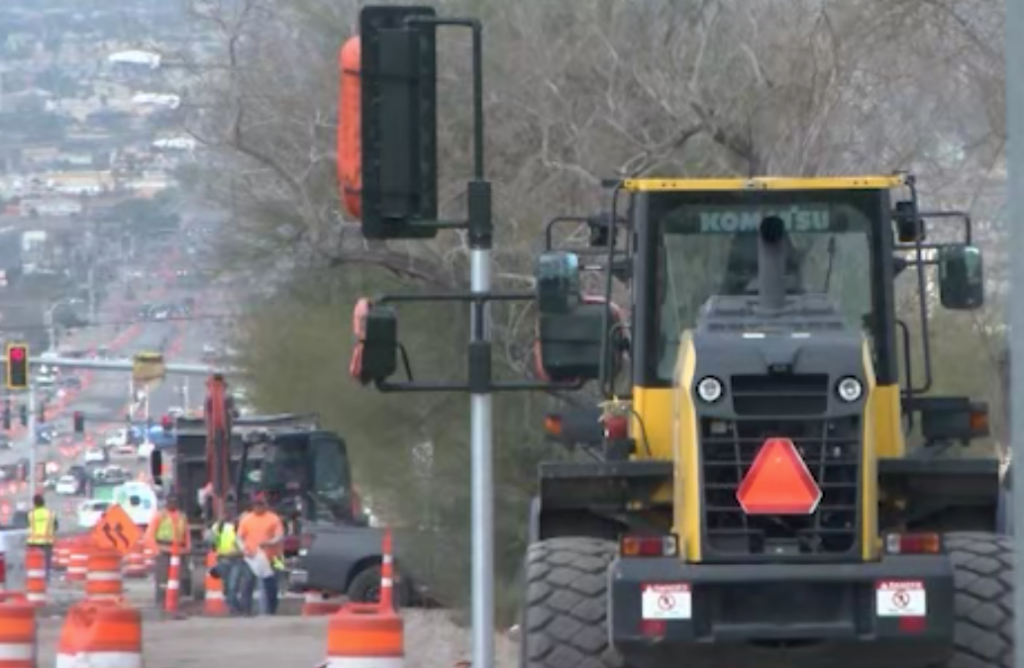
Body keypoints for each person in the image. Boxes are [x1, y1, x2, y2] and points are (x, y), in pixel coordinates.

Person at [237, 492, 284, 615]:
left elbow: (279, 536)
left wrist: (269, 542)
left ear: (265, 505)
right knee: (247, 585)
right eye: (256, 505)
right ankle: (246, 611)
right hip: (251, 558)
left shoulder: (273, 519)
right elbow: (239, 538)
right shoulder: (246, 519)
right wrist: (244, 549)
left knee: (271, 586)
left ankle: (271, 610)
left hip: (271, 558)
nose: (258, 507)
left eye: (261, 505)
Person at [144, 495, 191, 607]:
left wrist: (187, 548)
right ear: (166, 503)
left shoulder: (182, 516)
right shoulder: (160, 516)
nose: (172, 504)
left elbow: (186, 533)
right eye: (170, 502)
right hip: (164, 550)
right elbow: (149, 535)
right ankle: (161, 602)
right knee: (163, 579)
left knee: (178, 577)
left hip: (178, 551)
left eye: (174, 502)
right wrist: (156, 550)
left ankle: (176, 601)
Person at [209, 513, 244, 614]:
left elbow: (244, 544)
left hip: (236, 560)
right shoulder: (218, 526)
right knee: (227, 587)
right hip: (223, 560)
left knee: (232, 586)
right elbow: (211, 542)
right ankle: (234, 609)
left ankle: (236, 609)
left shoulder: (240, 525)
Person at [26, 494, 57, 581]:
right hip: (47, 542)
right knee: (46, 563)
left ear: (34, 503)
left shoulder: (30, 514)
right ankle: (46, 580)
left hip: (33, 542)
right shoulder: (51, 514)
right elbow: (55, 527)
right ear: (44, 503)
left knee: (34, 562)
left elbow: (27, 528)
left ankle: (35, 579)